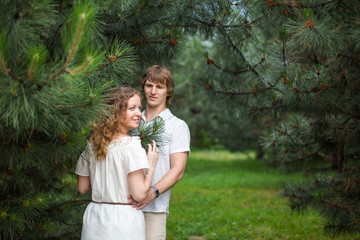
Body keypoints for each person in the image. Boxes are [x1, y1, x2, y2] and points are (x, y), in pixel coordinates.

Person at [75, 86, 159, 240]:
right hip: (123, 221)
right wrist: (151, 165)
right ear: (115, 112)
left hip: (95, 218)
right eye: (131, 108)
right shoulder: (131, 146)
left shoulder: (92, 145)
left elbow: (82, 188)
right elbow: (139, 194)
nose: (138, 113)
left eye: (139, 108)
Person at [128, 65, 191, 240]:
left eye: (159, 87)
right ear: (143, 88)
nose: (153, 91)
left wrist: (151, 193)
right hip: (123, 206)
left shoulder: (177, 126)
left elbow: (177, 170)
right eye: (149, 85)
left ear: (168, 91)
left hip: (154, 209)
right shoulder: (130, 120)